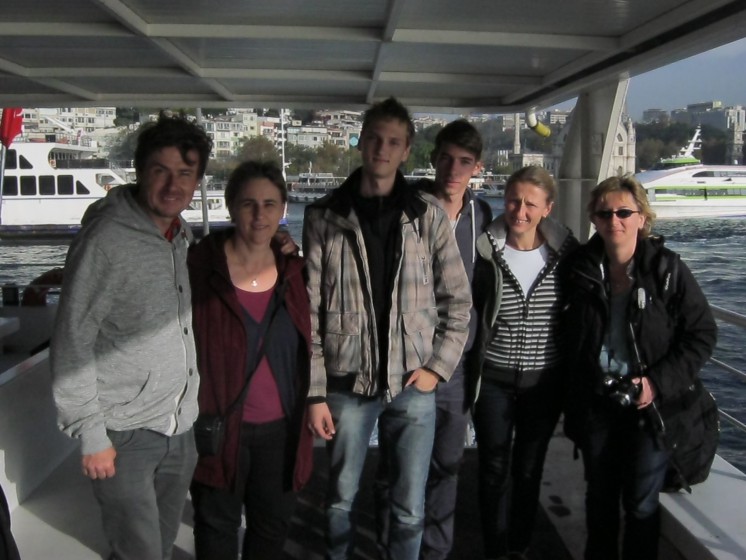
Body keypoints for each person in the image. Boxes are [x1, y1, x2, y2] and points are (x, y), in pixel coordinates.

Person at [303, 97, 472, 560]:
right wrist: (315, 393)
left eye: (393, 142)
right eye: (375, 138)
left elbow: (458, 301)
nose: (382, 148)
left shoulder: (427, 215)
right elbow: (310, 311)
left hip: (413, 385)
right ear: (360, 142)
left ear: (407, 150)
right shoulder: (324, 215)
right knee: (339, 499)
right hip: (346, 385)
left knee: (410, 507)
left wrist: (437, 369)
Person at [50, 114, 212, 560]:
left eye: (185, 173)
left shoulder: (179, 234)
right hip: (123, 434)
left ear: (197, 180)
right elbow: (72, 340)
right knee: (137, 552)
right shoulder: (105, 241)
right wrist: (91, 435)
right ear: (140, 172)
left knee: (160, 546)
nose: (173, 185)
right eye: (161, 170)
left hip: (178, 427)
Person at [561, 175, 717, 560]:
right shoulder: (579, 269)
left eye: (624, 213)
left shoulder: (666, 270)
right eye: (604, 213)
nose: (614, 220)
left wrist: (655, 383)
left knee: (641, 504)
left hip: (650, 409)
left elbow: (701, 334)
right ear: (594, 219)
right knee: (600, 499)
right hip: (598, 402)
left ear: (642, 218)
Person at [376, 119, 492, 560]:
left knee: (448, 465)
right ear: (433, 158)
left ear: (477, 167)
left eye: (464, 161)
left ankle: (435, 551)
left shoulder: (482, 217)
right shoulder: (404, 206)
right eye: (445, 158)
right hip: (409, 360)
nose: (453, 169)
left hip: (457, 364)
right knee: (397, 464)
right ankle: (389, 544)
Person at [188, 161, 313, 559]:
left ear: (283, 209)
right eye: (248, 204)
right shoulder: (199, 269)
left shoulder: (295, 272)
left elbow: (313, 343)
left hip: (281, 431)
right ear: (230, 207)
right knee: (216, 528)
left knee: (271, 529)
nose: (260, 215)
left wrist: (317, 400)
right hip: (219, 428)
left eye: (269, 204)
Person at [469, 165, 577, 560]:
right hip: (494, 379)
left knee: (529, 469)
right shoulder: (485, 250)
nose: (520, 211)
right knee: (493, 468)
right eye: (514, 200)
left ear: (547, 208)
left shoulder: (567, 255)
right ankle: (495, 549)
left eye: (531, 204)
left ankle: (519, 545)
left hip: (543, 382)